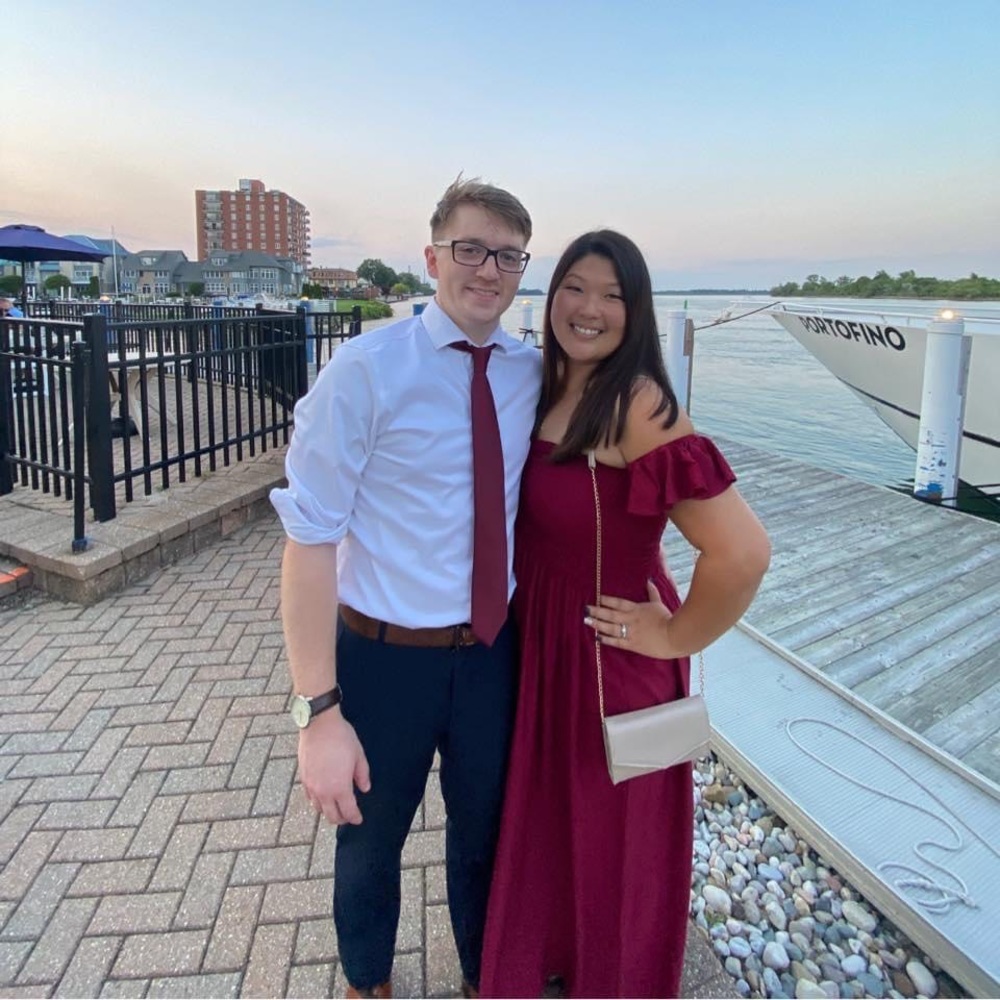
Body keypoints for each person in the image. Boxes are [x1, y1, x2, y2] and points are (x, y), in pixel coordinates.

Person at [479, 230, 771, 998]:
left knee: (614, 842)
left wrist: (672, 634)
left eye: (613, 294)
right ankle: (556, 960)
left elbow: (741, 553)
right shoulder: (547, 385)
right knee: (553, 822)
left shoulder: (638, 404)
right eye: (575, 286)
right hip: (543, 644)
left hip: (605, 652)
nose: (590, 308)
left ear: (636, 312)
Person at [269, 176, 541, 999]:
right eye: (470, 249)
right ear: (432, 258)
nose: (488, 269)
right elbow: (308, 539)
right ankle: (366, 984)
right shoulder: (366, 371)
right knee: (369, 838)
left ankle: (483, 978)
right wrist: (317, 713)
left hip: (492, 652)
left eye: (507, 255)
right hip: (385, 657)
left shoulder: (533, 373)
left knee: (486, 839)